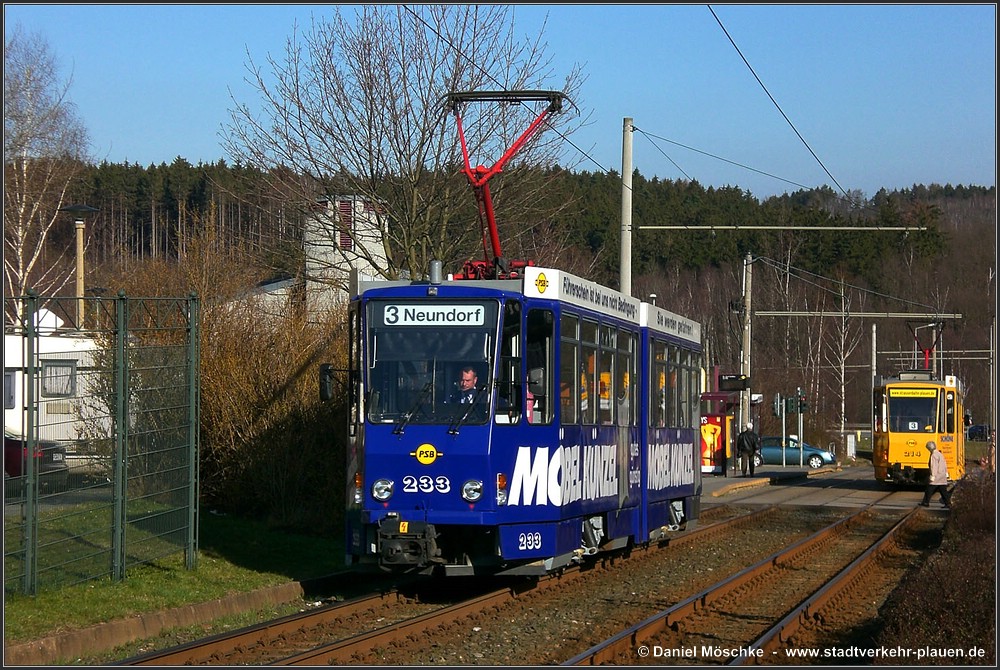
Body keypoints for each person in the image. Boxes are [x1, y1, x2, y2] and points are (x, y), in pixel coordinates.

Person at [920, 440, 952, 508]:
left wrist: (932, 476)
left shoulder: (933, 455)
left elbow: (934, 466)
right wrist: (946, 473)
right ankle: (948, 503)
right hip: (942, 475)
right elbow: (944, 464)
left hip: (937, 476)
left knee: (929, 490)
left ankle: (926, 502)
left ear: (929, 448)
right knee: (943, 491)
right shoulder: (940, 454)